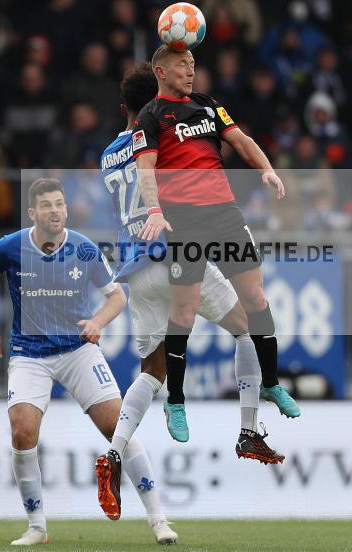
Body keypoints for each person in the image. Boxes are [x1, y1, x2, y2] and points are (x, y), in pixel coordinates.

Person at [94, 64, 296, 519]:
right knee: (247, 328)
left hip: (136, 267)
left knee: (153, 370)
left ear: (124, 108)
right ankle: (249, 430)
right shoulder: (163, 132)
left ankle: (114, 453)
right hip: (174, 249)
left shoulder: (107, 153)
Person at [0, 178, 177, 546]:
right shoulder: (10, 247)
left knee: (119, 428)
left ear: (66, 209)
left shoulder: (84, 249)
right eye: (46, 205)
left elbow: (117, 296)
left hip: (77, 350)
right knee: (22, 432)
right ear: (32, 212)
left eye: (59, 204)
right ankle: (37, 527)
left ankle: (159, 520)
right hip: (29, 354)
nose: (55, 210)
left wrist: (97, 322)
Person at [132, 45, 299, 441]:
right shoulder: (151, 116)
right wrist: (154, 210)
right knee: (185, 312)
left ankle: (271, 383)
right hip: (184, 221)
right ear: (160, 72)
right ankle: (175, 401)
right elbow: (145, 168)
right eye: (181, 65)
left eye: (192, 64)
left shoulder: (208, 105)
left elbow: (241, 140)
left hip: (225, 214)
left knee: (255, 298)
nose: (190, 71)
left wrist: (266, 169)